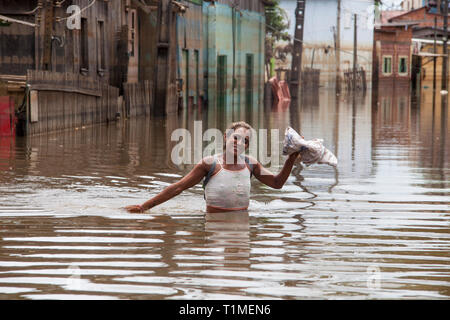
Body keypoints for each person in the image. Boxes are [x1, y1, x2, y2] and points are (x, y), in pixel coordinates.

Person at [125, 121, 301, 213]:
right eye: (236, 137)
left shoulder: (251, 164)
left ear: (247, 146)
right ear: (226, 137)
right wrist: (144, 207)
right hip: (214, 227)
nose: (239, 142)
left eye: (244, 141)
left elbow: (277, 183)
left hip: (241, 226)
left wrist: (291, 158)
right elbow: (178, 187)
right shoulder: (209, 164)